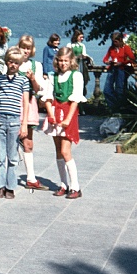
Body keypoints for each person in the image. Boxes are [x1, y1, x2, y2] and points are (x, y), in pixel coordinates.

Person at [0, 47, 30, 199]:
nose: (13, 65)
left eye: (16, 63)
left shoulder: (23, 81)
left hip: (14, 121)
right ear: (6, 62)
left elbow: (25, 103)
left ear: (20, 64)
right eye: (10, 62)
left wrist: (24, 124)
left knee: (12, 156)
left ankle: (10, 187)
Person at [42, 47, 87, 199]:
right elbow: (48, 98)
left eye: (65, 61)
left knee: (66, 150)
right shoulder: (52, 76)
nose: (62, 63)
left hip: (68, 113)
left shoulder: (76, 76)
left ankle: (75, 186)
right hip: (56, 113)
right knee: (58, 151)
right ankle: (63, 184)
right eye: (60, 60)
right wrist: (51, 115)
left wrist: (67, 119)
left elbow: (75, 100)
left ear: (71, 61)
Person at [16, 35, 49, 190]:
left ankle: (30, 177)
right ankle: (6, 176)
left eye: (28, 48)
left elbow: (38, 89)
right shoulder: (13, 63)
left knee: (28, 142)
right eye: (23, 47)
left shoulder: (36, 65)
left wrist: (33, 78)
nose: (26, 51)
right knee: (12, 140)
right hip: (14, 104)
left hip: (29, 105)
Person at [102, 31, 136, 109]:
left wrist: (122, 63)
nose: (114, 43)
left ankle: (120, 107)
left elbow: (132, 59)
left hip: (121, 69)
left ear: (120, 39)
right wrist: (107, 62)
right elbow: (105, 58)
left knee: (119, 90)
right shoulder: (111, 48)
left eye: (116, 41)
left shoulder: (126, 48)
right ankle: (113, 106)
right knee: (106, 90)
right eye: (113, 42)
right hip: (112, 69)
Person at [66, 28, 93, 99]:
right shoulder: (70, 45)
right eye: (81, 37)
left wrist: (86, 57)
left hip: (80, 65)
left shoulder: (82, 45)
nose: (82, 38)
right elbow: (68, 55)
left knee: (81, 79)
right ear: (76, 37)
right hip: (72, 65)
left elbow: (84, 54)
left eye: (82, 37)